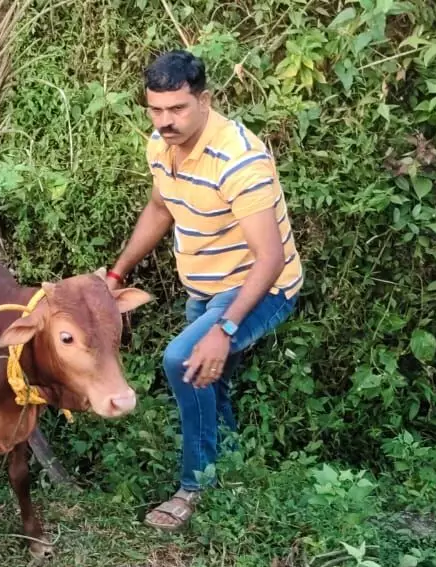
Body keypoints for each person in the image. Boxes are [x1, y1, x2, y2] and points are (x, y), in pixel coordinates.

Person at [103, 51, 303, 531]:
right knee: (213, 381)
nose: (165, 121)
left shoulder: (240, 160)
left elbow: (271, 259)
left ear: (205, 100)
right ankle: (230, 473)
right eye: (156, 110)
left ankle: (192, 488)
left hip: (262, 288)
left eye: (177, 109)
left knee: (185, 363)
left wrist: (226, 327)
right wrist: (115, 275)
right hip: (205, 286)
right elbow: (159, 207)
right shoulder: (161, 143)